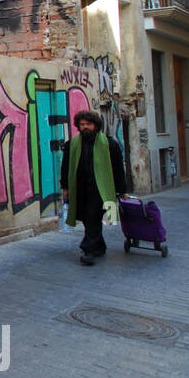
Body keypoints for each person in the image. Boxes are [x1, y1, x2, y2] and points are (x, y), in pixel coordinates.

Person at [59, 110, 129, 265]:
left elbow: (118, 169)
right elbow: (65, 168)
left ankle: (88, 250)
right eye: (82, 124)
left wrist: (122, 190)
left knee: (93, 215)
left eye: (88, 124)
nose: (85, 127)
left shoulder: (110, 144)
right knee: (87, 217)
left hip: (101, 189)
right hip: (80, 189)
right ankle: (99, 246)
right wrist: (65, 188)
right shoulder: (72, 145)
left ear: (96, 126)